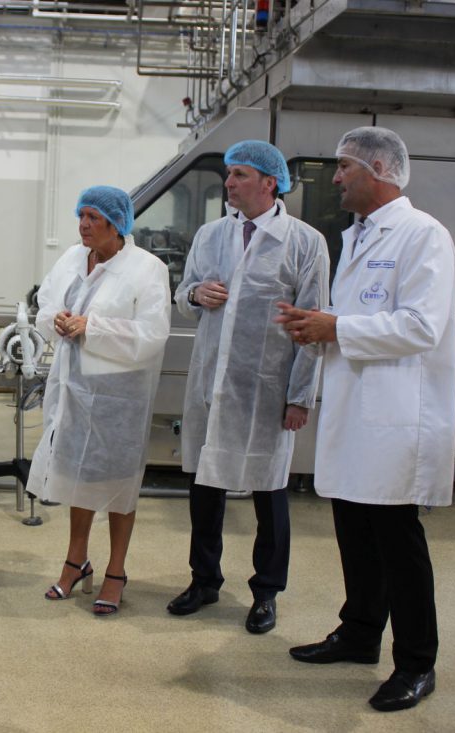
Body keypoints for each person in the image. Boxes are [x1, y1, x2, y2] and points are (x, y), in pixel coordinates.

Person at [276, 127, 455, 712]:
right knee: (354, 530)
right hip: (356, 410)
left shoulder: (422, 234)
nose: (335, 178)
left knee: (397, 542)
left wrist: (337, 327)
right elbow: (361, 317)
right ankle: (359, 634)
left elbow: (421, 327)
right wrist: (319, 325)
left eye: (344, 167)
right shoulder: (356, 236)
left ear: (379, 169)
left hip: (396, 416)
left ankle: (417, 663)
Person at [169, 140, 330, 634]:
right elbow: (182, 295)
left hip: (267, 390)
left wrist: (300, 396)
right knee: (205, 488)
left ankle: (266, 592)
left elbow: (312, 327)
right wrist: (196, 293)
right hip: (212, 384)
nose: (229, 182)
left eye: (239, 174)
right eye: (229, 173)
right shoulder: (211, 234)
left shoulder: (305, 243)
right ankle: (204, 580)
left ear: (269, 182)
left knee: (269, 493)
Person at [28, 185, 171, 616]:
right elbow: (45, 303)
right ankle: (76, 561)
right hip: (72, 389)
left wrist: (93, 327)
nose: (84, 225)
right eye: (81, 216)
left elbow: (152, 334)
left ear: (117, 224)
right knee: (79, 476)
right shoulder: (73, 258)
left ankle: (116, 571)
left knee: (119, 485)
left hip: (118, 397)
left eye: (93, 218)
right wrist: (56, 320)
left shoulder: (147, 269)